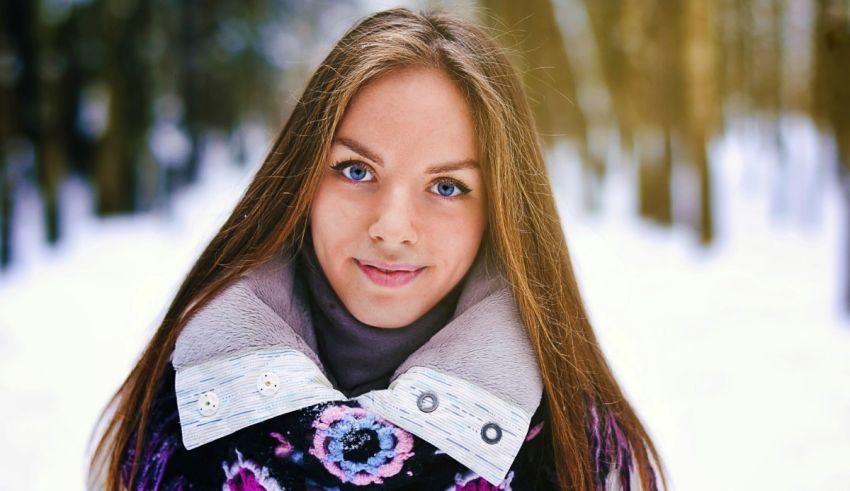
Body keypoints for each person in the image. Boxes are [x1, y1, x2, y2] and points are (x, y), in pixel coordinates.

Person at [89, 7, 665, 491]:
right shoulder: (178, 409)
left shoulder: (575, 447)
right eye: (356, 170)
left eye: (447, 186)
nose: (392, 228)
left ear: (499, 211)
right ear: (302, 179)